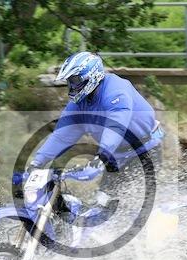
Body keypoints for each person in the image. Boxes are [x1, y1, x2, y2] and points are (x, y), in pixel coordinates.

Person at [29, 51, 164, 210]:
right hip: (116, 156)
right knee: (102, 205)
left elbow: (115, 127)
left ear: (92, 76)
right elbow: (62, 136)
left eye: (75, 81)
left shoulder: (116, 91)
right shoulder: (78, 104)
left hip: (145, 151)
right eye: (69, 82)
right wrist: (37, 162)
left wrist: (102, 156)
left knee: (129, 207)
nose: (71, 87)